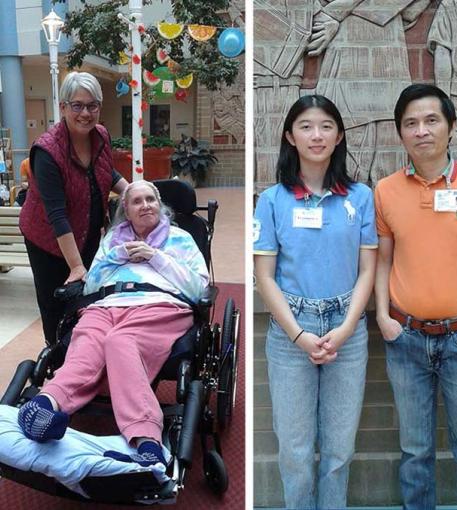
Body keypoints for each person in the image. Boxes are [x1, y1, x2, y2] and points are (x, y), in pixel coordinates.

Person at [16, 180, 208, 467]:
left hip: (158, 306)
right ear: (126, 212)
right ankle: (43, 407)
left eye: (150, 200)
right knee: (87, 344)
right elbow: (92, 283)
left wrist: (156, 258)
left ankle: (146, 440)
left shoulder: (181, 239)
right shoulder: (112, 241)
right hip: (106, 304)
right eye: (137, 201)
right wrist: (116, 256)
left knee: (120, 342)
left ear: (161, 207)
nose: (145, 205)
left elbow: (200, 289)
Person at [253, 95, 377, 509]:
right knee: (296, 452)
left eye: (326, 126)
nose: (316, 134)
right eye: (306, 126)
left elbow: (367, 270)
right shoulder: (272, 200)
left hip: (348, 329)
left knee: (339, 451)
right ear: (290, 136)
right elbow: (264, 278)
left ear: (339, 136)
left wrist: (344, 329)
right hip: (292, 332)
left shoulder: (359, 197)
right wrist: (300, 334)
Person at [374, 83, 457, 509]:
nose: (421, 131)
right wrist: (382, 316)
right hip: (405, 339)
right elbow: (383, 259)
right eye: (410, 123)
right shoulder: (385, 190)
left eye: (431, 120)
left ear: (451, 127)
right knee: (415, 453)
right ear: (400, 134)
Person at [19, 71, 130, 343]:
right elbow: (56, 215)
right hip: (48, 241)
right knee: (56, 304)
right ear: (63, 107)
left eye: (92, 105)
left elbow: (107, 173)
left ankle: (84, 353)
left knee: (88, 300)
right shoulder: (46, 152)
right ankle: (57, 359)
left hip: (87, 232)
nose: (85, 113)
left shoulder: (100, 135)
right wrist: (77, 267)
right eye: (77, 105)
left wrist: (136, 194)